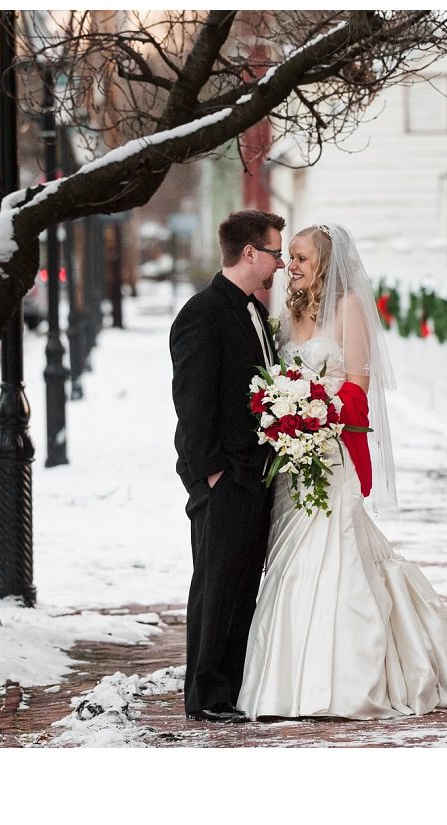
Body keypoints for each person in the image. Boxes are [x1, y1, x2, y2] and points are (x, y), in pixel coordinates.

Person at [237, 223, 447, 720]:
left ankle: (348, 680)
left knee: (337, 556)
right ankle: (287, 682)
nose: (292, 266)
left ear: (326, 263)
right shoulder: (287, 314)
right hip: (291, 458)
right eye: (291, 258)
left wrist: (313, 414)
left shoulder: (346, 309)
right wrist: (284, 416)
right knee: (290, 562)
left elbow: (358, 388)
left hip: (330, 455)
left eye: (302, 258)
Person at [170, 209, 286, 723]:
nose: (281, 263)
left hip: (254, 473)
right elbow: (191, 403)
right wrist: (210, 472)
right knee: (216, 584)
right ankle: (207, 696)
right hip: (224, 477)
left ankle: (231, 688)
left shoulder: (254, 312)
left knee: (241, 585)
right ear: (249, 253)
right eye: (276, 252)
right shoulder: (204, 311)